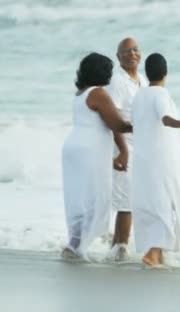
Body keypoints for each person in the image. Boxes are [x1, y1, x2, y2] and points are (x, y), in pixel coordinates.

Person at [61, 52, 132, 259]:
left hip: (75, 148)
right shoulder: (98, 93)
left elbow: (99, 125)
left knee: (79, 199)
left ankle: (74, 245)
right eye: (108, 70)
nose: (110, 74)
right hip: (88, 150)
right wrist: (142, 124)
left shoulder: (80, 93)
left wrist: (114, 157)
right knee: (94, 199)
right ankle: (77, 248)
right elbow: (116, 124)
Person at [131, 53, 180, 268]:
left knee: (153, 202)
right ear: (166, 73)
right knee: (166, 200)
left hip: (143, 156)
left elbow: (137, 124)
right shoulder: (161, 95)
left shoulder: (139, 95)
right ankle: (153, 253)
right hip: (162, 157)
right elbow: (166, 120)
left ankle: (158, 254)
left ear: (147, 73)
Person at [105, 37, 149, 261]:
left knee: (134, 201)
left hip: (141, 148)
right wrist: (122, 150)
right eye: (127, 51)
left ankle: (118, 250)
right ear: (118, 57)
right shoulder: (117, 82)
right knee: (125, 203)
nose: (133, 54)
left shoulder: (141, 79)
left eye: (136, 50)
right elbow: (112, 118)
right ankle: (118, 251)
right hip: (124, 148)